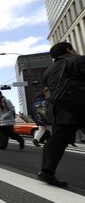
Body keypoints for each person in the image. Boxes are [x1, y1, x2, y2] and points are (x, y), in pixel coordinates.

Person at [38, 42, 85, 187]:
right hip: (81, 105)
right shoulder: (77, 60)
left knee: (57, 141)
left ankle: (47, 171)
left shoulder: (48, 71)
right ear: (69, 50)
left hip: (61, 109)